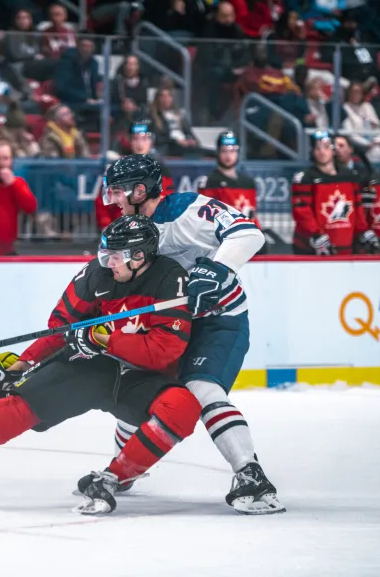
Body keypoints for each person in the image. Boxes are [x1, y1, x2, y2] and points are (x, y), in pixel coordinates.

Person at [0, 215, 202, 515]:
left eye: (117, 256)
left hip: (141, 377)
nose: (110, 263)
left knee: (182, 407)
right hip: (91, 368)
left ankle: (112, 478)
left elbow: (162, 351)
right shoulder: (96, 275)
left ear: (141, 256)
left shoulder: (169, 279)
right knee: (11, 408)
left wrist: (105, 339)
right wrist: (22, 366)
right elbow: (59, 329)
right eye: (108, 254)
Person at [101, 153, 284, 514]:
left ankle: (251, 475)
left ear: (141, 190)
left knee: (202, 389)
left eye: (119, 192)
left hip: (219, 319)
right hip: (172, 325)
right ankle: (125, 468)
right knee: (135, 389)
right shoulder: (127, 228)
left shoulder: (187, 209)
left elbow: (248, 232)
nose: (114, 200)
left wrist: (217, 268)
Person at [292, 130, 380, 256]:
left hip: (345, 245)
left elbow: (357, 208)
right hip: (311, 248)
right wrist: (315, 235)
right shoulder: (304, 178)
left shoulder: (350, 176)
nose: (322, 152)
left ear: (333, 150)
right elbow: (302, 213)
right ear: (312, 151)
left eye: (326, 147)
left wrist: (363, 231)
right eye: (317, 148)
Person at [198, 131, 260, 229]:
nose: (228, 156)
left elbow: (252, 214)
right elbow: (205, 216)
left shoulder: (248, 182)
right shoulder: (208, 182)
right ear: (218, 152)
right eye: (224, 151)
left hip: (244, 236)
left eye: (232, 151)